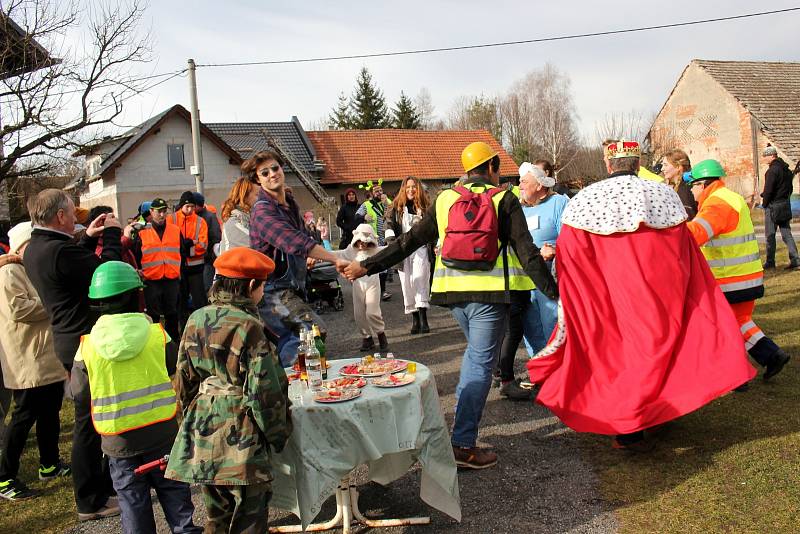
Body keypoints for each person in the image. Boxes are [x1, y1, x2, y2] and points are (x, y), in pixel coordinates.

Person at [526, 141, 756, 451]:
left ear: (609, 166)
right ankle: (657, 415)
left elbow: (573, 254)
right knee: (661, 350)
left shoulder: (584, 201)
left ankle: (629, 429)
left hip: (610, 297)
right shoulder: (663, 195)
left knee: (620, 358)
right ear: (637, 164)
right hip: (660, 293)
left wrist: (580, 291)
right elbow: (683, 249)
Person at [344, 142, 557, 469]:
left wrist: (366, 266)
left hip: (452, 295)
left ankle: (458, 435)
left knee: (476, 358)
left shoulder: (445, 199)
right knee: (479, 364)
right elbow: (527, 252)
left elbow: (408, 242)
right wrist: (555, 293)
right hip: (489, 298)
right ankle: (462, 445)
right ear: (491, 168)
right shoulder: (504, 198)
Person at [165, 247, 292, 534]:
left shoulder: (196, 319)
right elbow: (265, 393)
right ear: (250, 286)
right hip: (241, 436)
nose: (263, 292)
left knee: (216, 517)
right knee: (250, 518)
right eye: (262, 285)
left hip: (203, 428)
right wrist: (279, 434)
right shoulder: (249, 326)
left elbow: (183, 380)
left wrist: (188, 423)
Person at [74, 261, 201, 534]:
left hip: (119, 442)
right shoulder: (158, 334)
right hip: (162, 433)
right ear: (136, 295)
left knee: (132, 502)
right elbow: (175, 366)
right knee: (175, 495)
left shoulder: (87, 346)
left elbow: (79, 392)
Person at [24, 189, 120, 520]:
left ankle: (103, 485)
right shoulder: (59, 251)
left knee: (94, 418)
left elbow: (65, 264)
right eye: (71, 211)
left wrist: (85, 237)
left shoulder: (37, 246)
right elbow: (107, 274)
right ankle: (90, 499)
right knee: (89, 424)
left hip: (68, 338)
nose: (75, 217)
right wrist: (111, 234)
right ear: (61, 216)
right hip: (84, 339)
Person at [685, 159, 791, 381]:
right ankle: (772, 356)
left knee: (718, 325)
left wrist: (671, 227)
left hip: (729, 280)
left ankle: (736, 375)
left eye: (693, 185)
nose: (692, 191)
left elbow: (695, 234)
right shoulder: (730, 198)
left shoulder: (717, 204)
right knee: (740, 321)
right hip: (746, 277)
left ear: (703, 184)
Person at [246, 150, 348, 365]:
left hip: (291, 288)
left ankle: (289, 384)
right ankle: (286, 387)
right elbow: (293, 241)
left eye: (275, 168)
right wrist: (333, 258)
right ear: (258, 179)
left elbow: (304, 238)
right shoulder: (262, 211)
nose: (272, 174)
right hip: (270, 290)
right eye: (265, 173)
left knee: (293, 340)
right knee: (311, 332)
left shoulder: (289, 204)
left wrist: (311, 257)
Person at [0, 222, 69, 501]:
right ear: (21, 245)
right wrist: (52, 302)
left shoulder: (30, 268)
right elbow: (18, 308)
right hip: (27, 356)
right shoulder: (9, 271)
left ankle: (49, 464)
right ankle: (5, 477)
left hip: (45, 356)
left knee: (50, 411)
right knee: (23, 415)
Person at [495, 163, 567, 400]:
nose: (519, 186)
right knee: (529, 327)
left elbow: (570, 238)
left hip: (549, 277)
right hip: (523, 280)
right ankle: (540, 374)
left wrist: (555, 249)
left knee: (552, 326)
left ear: (539, 184)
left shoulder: (559, 203)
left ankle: (559, 376)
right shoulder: (519, 208)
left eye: (524, 182)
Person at [385, 176, 434, 335]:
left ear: (418, 188)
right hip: (402, 249)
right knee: (407, 284)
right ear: (403, 189)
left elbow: (434, 227)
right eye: (407, 187)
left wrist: (435, 244)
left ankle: (423, 317)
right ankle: (414, 318)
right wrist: (391, 242)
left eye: (413, 187)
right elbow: (389, 225)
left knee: (420, 279)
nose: (411, 190)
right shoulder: (396, 208)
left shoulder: (426, 207)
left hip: (420, 248)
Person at [332, 224, 390, 351]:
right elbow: (338, 254)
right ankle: (367, 338)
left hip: (373, 284)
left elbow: (390, 250)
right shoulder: (351, 251)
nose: (361, 245)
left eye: (364, 242)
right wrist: (318, 256)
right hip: (357, 285)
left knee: (372, 312)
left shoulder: (376, 251)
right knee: (359, 314)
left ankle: (381, 335)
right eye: (359, 242)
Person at [132, 198, 182, 342]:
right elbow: (136, 255)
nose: (162, 215)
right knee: (153, 316)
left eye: (164, 211)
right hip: (151, 280)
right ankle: (154, 342)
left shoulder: (175, 230)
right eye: (158, 212)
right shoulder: (142, 232)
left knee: (172, 314)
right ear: (151, 212)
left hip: (171, 280)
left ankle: (173, 343)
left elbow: (182, 253)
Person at [169, 191, 209, 323]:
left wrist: (187, 248)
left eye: (192, 206)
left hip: (195, 268)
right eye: (187, 207)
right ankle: (184, 327)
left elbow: (203, 244)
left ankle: (202, 326)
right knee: (180, 301)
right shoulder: (172, 219)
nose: (191, 209)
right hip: (178, 268)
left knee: (199, 301)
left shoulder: (200, 221)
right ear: (181, 206)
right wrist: (186, 245)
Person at [760, 146, 799, 270]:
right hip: (784, 204)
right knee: (786, 233)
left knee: (770, 235)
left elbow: (768, 190)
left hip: (773, 206)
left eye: (765, 156)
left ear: (772, 156)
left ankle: (770, 262)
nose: (764, 158)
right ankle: (795, 260)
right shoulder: (786, 170)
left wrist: (765, 203)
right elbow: (790, 188)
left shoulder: (772, 171)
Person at [356, 180, 393, 301]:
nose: (379, 193)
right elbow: (356, 216)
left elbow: (396, 209)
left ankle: (383, 291)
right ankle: (370, 291)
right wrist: (363, 217)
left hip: (385, 239)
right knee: (371, 266)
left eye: (380, 190)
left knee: (383, 266)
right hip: (370, 241)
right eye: (376, 191)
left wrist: (386, 201)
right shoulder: (366, 205)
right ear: (372, 193)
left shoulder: (386, 203)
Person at [220, 177, 259, 254]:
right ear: (244, 196)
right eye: (257, 195)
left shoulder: (250, 218)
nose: (261, 198)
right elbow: (258, 247)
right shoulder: (233, 222)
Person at [193, 192, 223, 291]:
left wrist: (209, 256)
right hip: (198, 260)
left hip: (207, 261)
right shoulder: (196, 217)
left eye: (193, 205)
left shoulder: (209, 217)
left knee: (206, 287)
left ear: (198, 205)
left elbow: (216, 239)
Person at [660, 148, 698, 218]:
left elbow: (688, 219)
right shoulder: (676, 187)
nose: (662, 169)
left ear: (678, 167)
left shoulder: (685, 189)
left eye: (665, 165)